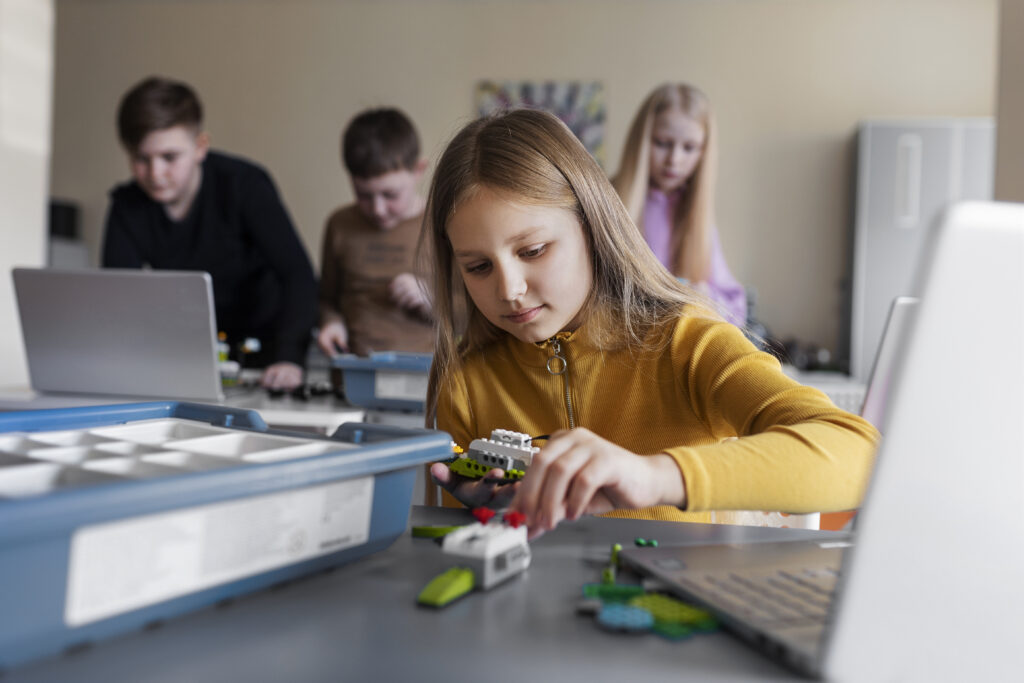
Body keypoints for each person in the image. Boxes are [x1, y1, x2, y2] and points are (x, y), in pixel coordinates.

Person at [424, 109, 878, 538]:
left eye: (533, 251)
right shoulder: (466, 382)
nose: (509, 290)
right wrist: (486, 512)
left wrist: (656, 476)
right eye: (479, 267)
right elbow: (452, 552)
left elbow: (859, 454)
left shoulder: (685, 341)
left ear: (591, 227)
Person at [102, 76, 317, 390]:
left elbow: (297, 274)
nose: (155, 174)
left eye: (169, 158)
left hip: (263, 359)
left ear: (200, 147)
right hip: (184, 360)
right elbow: (120, 297)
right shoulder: (126, 205)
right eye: (141, 159)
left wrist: (289, 357)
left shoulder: (245, 185)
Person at [613, 83, 747, 326]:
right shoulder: (606, 201)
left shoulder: (696, 218)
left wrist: (700, 295)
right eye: (663, 143)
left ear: (703, 152)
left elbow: (735, 310)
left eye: (689, 148)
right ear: (642, 141)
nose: (674, 160)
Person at [317, 108, 433, 359]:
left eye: (390, 195)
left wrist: (431, 298)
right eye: (363, 195)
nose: (378, 210)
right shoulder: (340, 224)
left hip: (427, 382)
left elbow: (473, 315)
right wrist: (331, 323)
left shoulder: (443, 223)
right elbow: (327, 299)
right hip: (353, 377)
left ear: (418, 170)